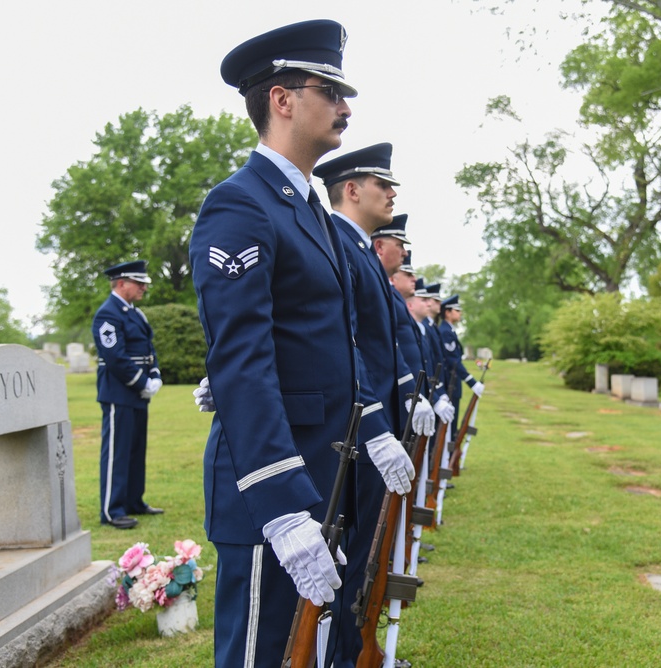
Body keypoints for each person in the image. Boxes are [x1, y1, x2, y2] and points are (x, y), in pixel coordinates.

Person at [187, 21, 412, 667]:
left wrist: (371, 425)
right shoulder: (240, 205)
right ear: (283, 99)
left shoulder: (304, 206)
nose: (346, 107)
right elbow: (241, 359)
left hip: (325, 470)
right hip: (273, 489)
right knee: (265, 655)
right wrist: (283, 508)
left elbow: (336, 342)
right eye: (331, 90)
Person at [312, 148, 431, 668]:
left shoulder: (357, 250)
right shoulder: (339, 244)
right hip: (353, 427)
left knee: (364, 554)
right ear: (352, 190)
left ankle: (354, 652)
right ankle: (344, 656)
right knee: (352, 552)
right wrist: (378, 421)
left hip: (369, 425)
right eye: (380, 183)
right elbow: (349, 344)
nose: (392, 192)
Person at [92, 259, 163, 530]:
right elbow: (115, 357)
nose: (144, 287)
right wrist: (141, 381)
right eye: (139, 282)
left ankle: (134, 501)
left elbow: (149, 347)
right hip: (119, 392)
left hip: (138, 393)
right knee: (117, 453)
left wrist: (154, 375)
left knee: (135, 450)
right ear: (122, 283)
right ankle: (112, 509)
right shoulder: (108, 314)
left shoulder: (135, 313)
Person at [438, 294, 484, 440]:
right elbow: (453, 361)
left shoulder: (449, 330)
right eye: (457, 310)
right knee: (448, 430)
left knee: (452, 427)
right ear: (447, 312)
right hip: (449, 384)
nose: (460, 313)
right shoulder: (445, 332)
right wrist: (471, 381)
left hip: (454, 384)